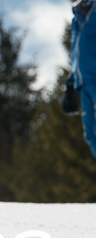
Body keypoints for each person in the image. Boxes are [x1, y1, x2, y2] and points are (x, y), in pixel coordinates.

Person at [62, 0, 96, 159]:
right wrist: (71, 82)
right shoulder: (77, 19)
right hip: (84, 85)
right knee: (90, 135)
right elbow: (79, 54)